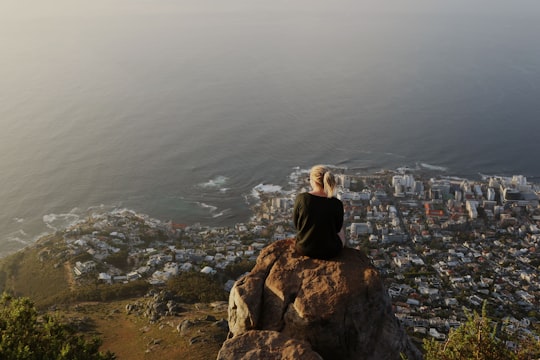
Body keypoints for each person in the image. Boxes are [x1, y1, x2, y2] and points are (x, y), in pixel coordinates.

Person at [293, 165, 346, 260]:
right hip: (331, 251)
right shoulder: (336, 203)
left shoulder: (302, 198)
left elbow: (297, 224)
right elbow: (337, 229)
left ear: (313, 181)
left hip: (305, 249)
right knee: (341, 229)